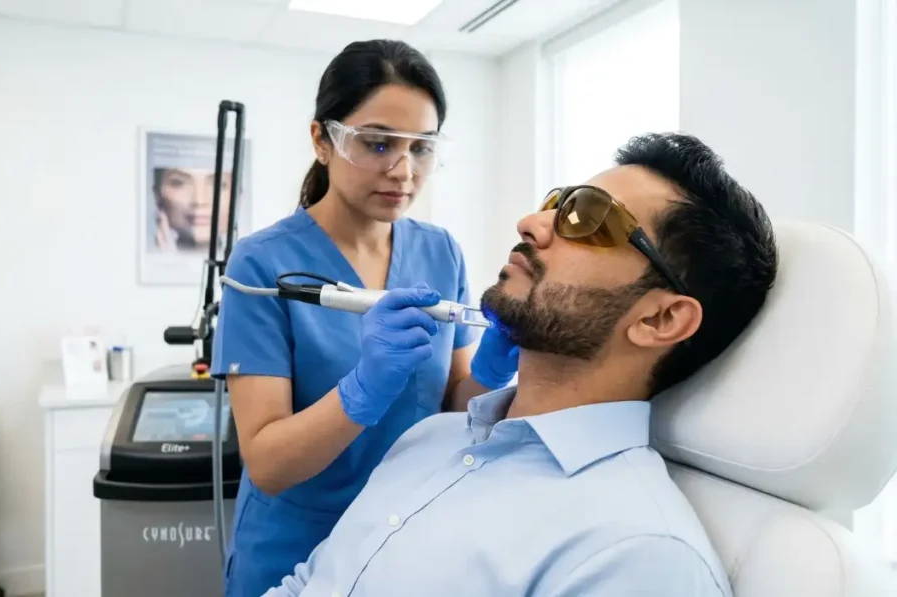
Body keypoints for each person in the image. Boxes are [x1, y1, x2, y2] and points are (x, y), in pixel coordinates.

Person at [261, 132, 779, 597]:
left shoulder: (637, 554)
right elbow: (310, 584)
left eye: (590, 216)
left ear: (661, 318)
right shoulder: (431, 441)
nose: (530, 223)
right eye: (555, 203)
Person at [212, 39, 520, 597]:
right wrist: (362, 391)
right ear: (322, 140)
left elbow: (449, 403)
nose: (403, 171)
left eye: (420, 148)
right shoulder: (262, 264)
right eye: (377, 144)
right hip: (294, 548)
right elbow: (267, 464)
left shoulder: (440, 251)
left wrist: (493, 374)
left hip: (401, 537)